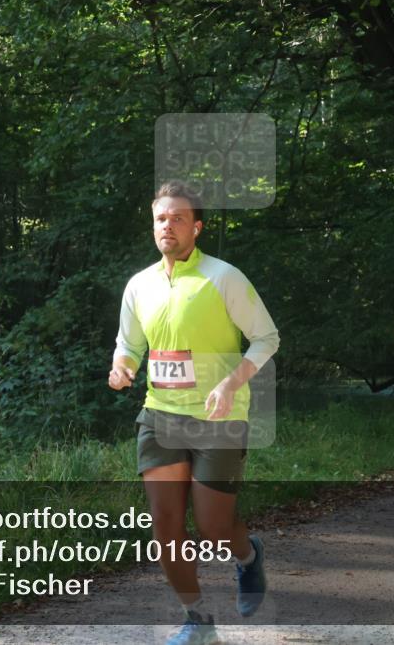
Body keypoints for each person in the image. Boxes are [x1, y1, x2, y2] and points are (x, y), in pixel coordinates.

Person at [108, 181, 279, 645]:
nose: (168, 226)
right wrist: (122, 367)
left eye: (179, 218)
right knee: (164, 524)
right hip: (160, 415)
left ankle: (248, 558)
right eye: (162, 218)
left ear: (196, 228)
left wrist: (231, 382)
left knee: (212, 527)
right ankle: (198, 621)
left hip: (218, 418)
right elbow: (130, 345)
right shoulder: (139, 284)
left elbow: (267, 337)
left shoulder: (224, 277)